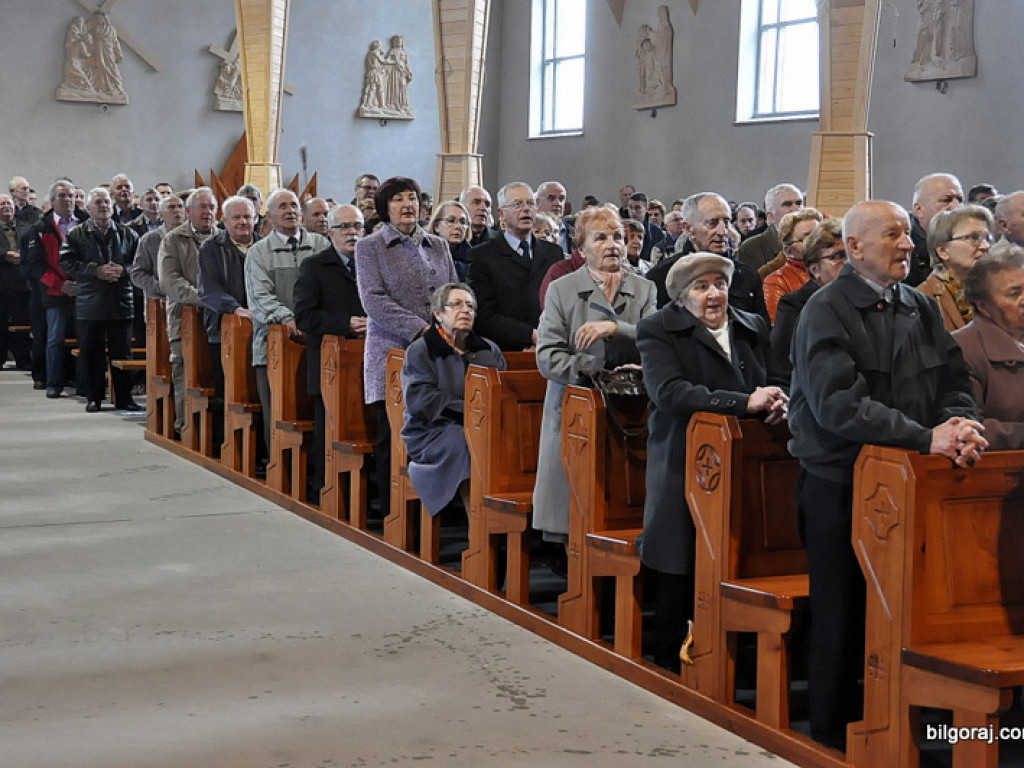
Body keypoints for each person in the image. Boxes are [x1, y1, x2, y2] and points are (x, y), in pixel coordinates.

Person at [788, 199, 986, 751]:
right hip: (841, 486)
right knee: (842, 615)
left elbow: (952, 379)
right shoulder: (826, 310)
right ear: (854, 248)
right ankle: (830, 739)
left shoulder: (918, 308)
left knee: (904, 616)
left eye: (907, 234)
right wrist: (927, 438)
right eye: (893, 234)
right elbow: (838, 407)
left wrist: (958, 423)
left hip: (910, 486)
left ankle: (898, 725)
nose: (907, 244)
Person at [637, 252, 786, 671]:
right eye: (702, 287)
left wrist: (778, 399)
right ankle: (671, 661)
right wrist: (744, 402)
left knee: (741, 556)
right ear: (682, 297)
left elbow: (777, 376)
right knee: (680, 560)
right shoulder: (658, 329)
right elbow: (670, 392)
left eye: (719, 284)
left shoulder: (751, 325)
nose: (714, 294)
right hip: (686, 461)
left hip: (748, 460)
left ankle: (738, 662)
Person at [532, 205, 656, 548]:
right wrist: (595, 372)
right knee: (575, 508)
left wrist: (616, 328)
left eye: (618, 236)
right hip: (576, 408)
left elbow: (656, 342)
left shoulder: (645, 289)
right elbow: (547, 357)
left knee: (624, 507)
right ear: (581, 248)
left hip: (632, 411)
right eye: (600, 238)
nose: (612, 244)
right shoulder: (562, 289)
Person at [356, 177, 458, 518]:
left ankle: (434, 512)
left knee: (437, 431)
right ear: (386, 208)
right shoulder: (369, 247)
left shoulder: (438, 245)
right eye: (398, 199)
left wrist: (452, 324)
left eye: (411, 198)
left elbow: (451, 292)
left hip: (437, 352)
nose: (407, 205)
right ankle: (393, 515)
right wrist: (424, 331)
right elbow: (374, 301)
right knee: (394, 436)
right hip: (392, 352)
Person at [401, 283, 505, 516]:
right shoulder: (421, 350)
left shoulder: (488, 350)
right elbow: (421, 400)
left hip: (484, 426)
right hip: (431, 431)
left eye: (470, 306)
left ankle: (504, 519)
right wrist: (468, 413)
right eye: (456, 304)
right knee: (464, 442)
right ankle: (476, 525)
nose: (465, 310)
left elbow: (505, 392)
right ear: (438, 314)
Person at [245, 188, 330, 461]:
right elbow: (260, 297)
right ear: (269, 216)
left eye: (294, 205)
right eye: (282, 206)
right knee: (279, 411)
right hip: (274, 344)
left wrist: (314, 320)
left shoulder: (320, 245)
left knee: (318, 411)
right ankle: (280, 468)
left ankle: (316, 470)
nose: (290, 210)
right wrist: (289, 319)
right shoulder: (259, 252)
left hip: (317, 343)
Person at [294, 203, 367, 501]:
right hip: (330, 364)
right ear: (330, 232)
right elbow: (304, 317)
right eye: (344, 227)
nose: (352, 233)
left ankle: (364, 493)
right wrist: (345, 324)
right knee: (329, 429)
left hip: (366, 360)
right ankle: (325, 491)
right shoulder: (314, 266)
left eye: (358, 226)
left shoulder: (372, 263)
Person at [58, 187, 140, 412]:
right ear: (89, 208)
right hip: (90, 302)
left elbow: (141, 263)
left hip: (121, 300)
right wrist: (95, 271)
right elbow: (66, 262)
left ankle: (124, 398)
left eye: (106, 202)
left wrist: (124, 270)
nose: (103, 206)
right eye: (98, 203)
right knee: (91, 352)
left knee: (122, 352)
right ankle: (94, 397)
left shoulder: (128, 233)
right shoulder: (76, 234)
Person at [467, 182, 563, 351]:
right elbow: (483, 315)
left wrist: (547, 339)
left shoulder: (553, 253)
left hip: (551, 348)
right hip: (504, 351)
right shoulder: (482, 256)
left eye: (530, 203)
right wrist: (531, 335)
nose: (526, 209)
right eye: (517, 204)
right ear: (501, 213)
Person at [647, 192, 768, 321]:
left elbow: (760, 332)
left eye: (726, 222)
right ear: (688, 229)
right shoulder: (661, 276)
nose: (723, 231)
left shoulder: (747, 276)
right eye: (712, 223)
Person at [159, 187, 220, 436]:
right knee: (185, 371)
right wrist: (208, 299)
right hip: (184, 319)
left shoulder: (222, 239)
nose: (207, 212)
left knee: (217, 373)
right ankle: (184, 428)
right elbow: (170, 281)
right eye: (202, 207)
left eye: (212, 207)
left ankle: (215, 432)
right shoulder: (173, 240)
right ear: (188, 211)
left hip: (219, 321)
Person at [952, 242, 1024, 450]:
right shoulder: (963, 349)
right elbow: (970, 428)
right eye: (1013, 294)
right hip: (996, 472)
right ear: (984, 307)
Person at [22, 180, 87, 397]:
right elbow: (35, 264)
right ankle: (53, 383)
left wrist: (82, 282)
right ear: (52, 201)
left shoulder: (86, 222)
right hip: (54, 292)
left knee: (85, 339)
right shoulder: (41, 228)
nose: (68, 200)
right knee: (55, 339)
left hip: (83, 291)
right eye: (63, 196)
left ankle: (83, 383)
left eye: (71, 196)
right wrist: (61, 284)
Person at [769, 218, 846, 383]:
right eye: (838, 257)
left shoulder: (863, 301)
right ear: (815, 269)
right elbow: (781, 371)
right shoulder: (794, 305)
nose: (847, 265)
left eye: (850, 256)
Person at [917, 204, 994, 331]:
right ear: (943, 251)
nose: (985, 246)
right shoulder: (924, 299)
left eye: (988, 238)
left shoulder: (999, 291)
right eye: (973, 238)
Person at [761, 207, 824, 323]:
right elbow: (780, 328)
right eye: (809, 238)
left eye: (820, 235)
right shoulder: (776, 281)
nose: (818, 242)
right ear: (789, 251)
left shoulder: (837, 270)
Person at [907, 172, 964, 286]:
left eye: (960, 200)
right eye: (946, 200)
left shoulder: (968, 243)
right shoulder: (904, 247)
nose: (956, 207)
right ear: (919, 209)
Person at [737, 184, 804, 271]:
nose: (796, 209)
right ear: (770, 216)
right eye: (787, 204)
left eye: (799, 203)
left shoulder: (816, 243)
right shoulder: (751, 248)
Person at [428, 200, 472, 280]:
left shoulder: (473, 258)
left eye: (463, 222)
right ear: (436, 226)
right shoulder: (425, 254)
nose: (458, 226)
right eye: (451, 220)